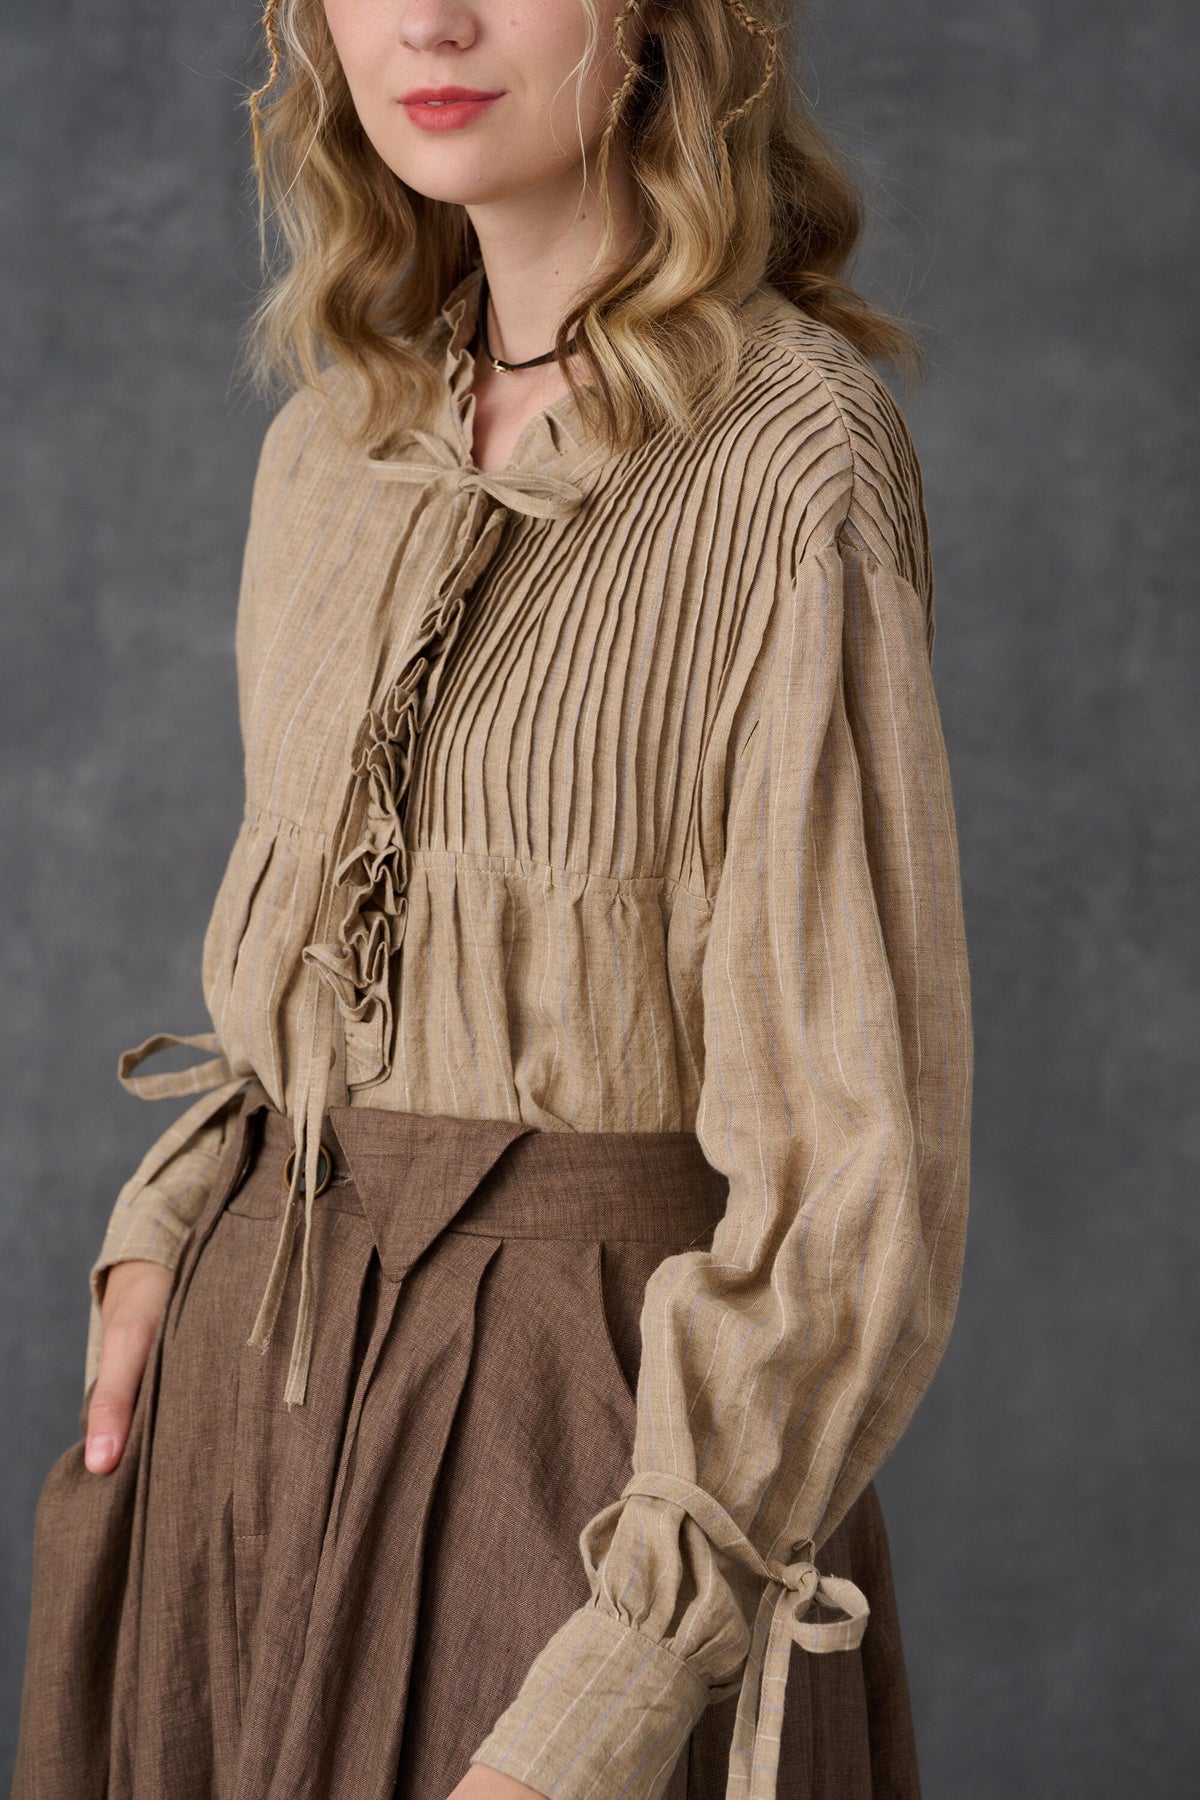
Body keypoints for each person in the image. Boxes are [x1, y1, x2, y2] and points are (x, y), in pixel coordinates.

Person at [12, 0, 973, 1796]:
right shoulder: (331, 439)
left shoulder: (792, 461)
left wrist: (617, 1688)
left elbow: (856, 1194)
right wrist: (174, 1212)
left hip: (581, 1476)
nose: (433, 21)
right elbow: (320, 982)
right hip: (243, 1440)